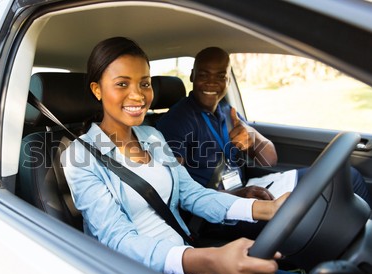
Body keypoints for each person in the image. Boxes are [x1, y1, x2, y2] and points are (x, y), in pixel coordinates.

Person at [62, 36, 318, 274]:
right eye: (122, 84)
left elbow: (191, 194)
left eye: (145, 83)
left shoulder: (152, 136)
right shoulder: (79, 156)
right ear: (97, 90)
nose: (138, 95)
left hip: (187, 259)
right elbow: (118, 241)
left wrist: (266, 208)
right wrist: (210, 261)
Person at [157, 46, 372, 208]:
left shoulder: (226, 111)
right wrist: (236, 197)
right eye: (204, 75)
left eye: (220, 76)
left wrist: (252, 137)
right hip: (220, 206)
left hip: (248, 188)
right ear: (193, 75)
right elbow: (175, 192)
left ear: (228, 81)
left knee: (346, 176)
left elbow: (270, 159)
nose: (211, 83)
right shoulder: (176, 121)